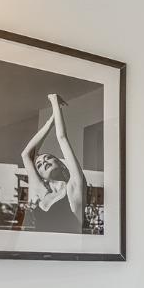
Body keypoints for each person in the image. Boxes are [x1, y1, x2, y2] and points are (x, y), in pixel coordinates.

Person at [20, 92, 87, 234]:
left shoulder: (74, 187)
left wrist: (54, 101)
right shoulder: (42, 192)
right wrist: (50, 121)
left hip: (69, 253)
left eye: (48, 158)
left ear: (62, 164)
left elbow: (62, 138)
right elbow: (26, 155)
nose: (43, 162)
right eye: (38, 165)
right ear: (42, 176)